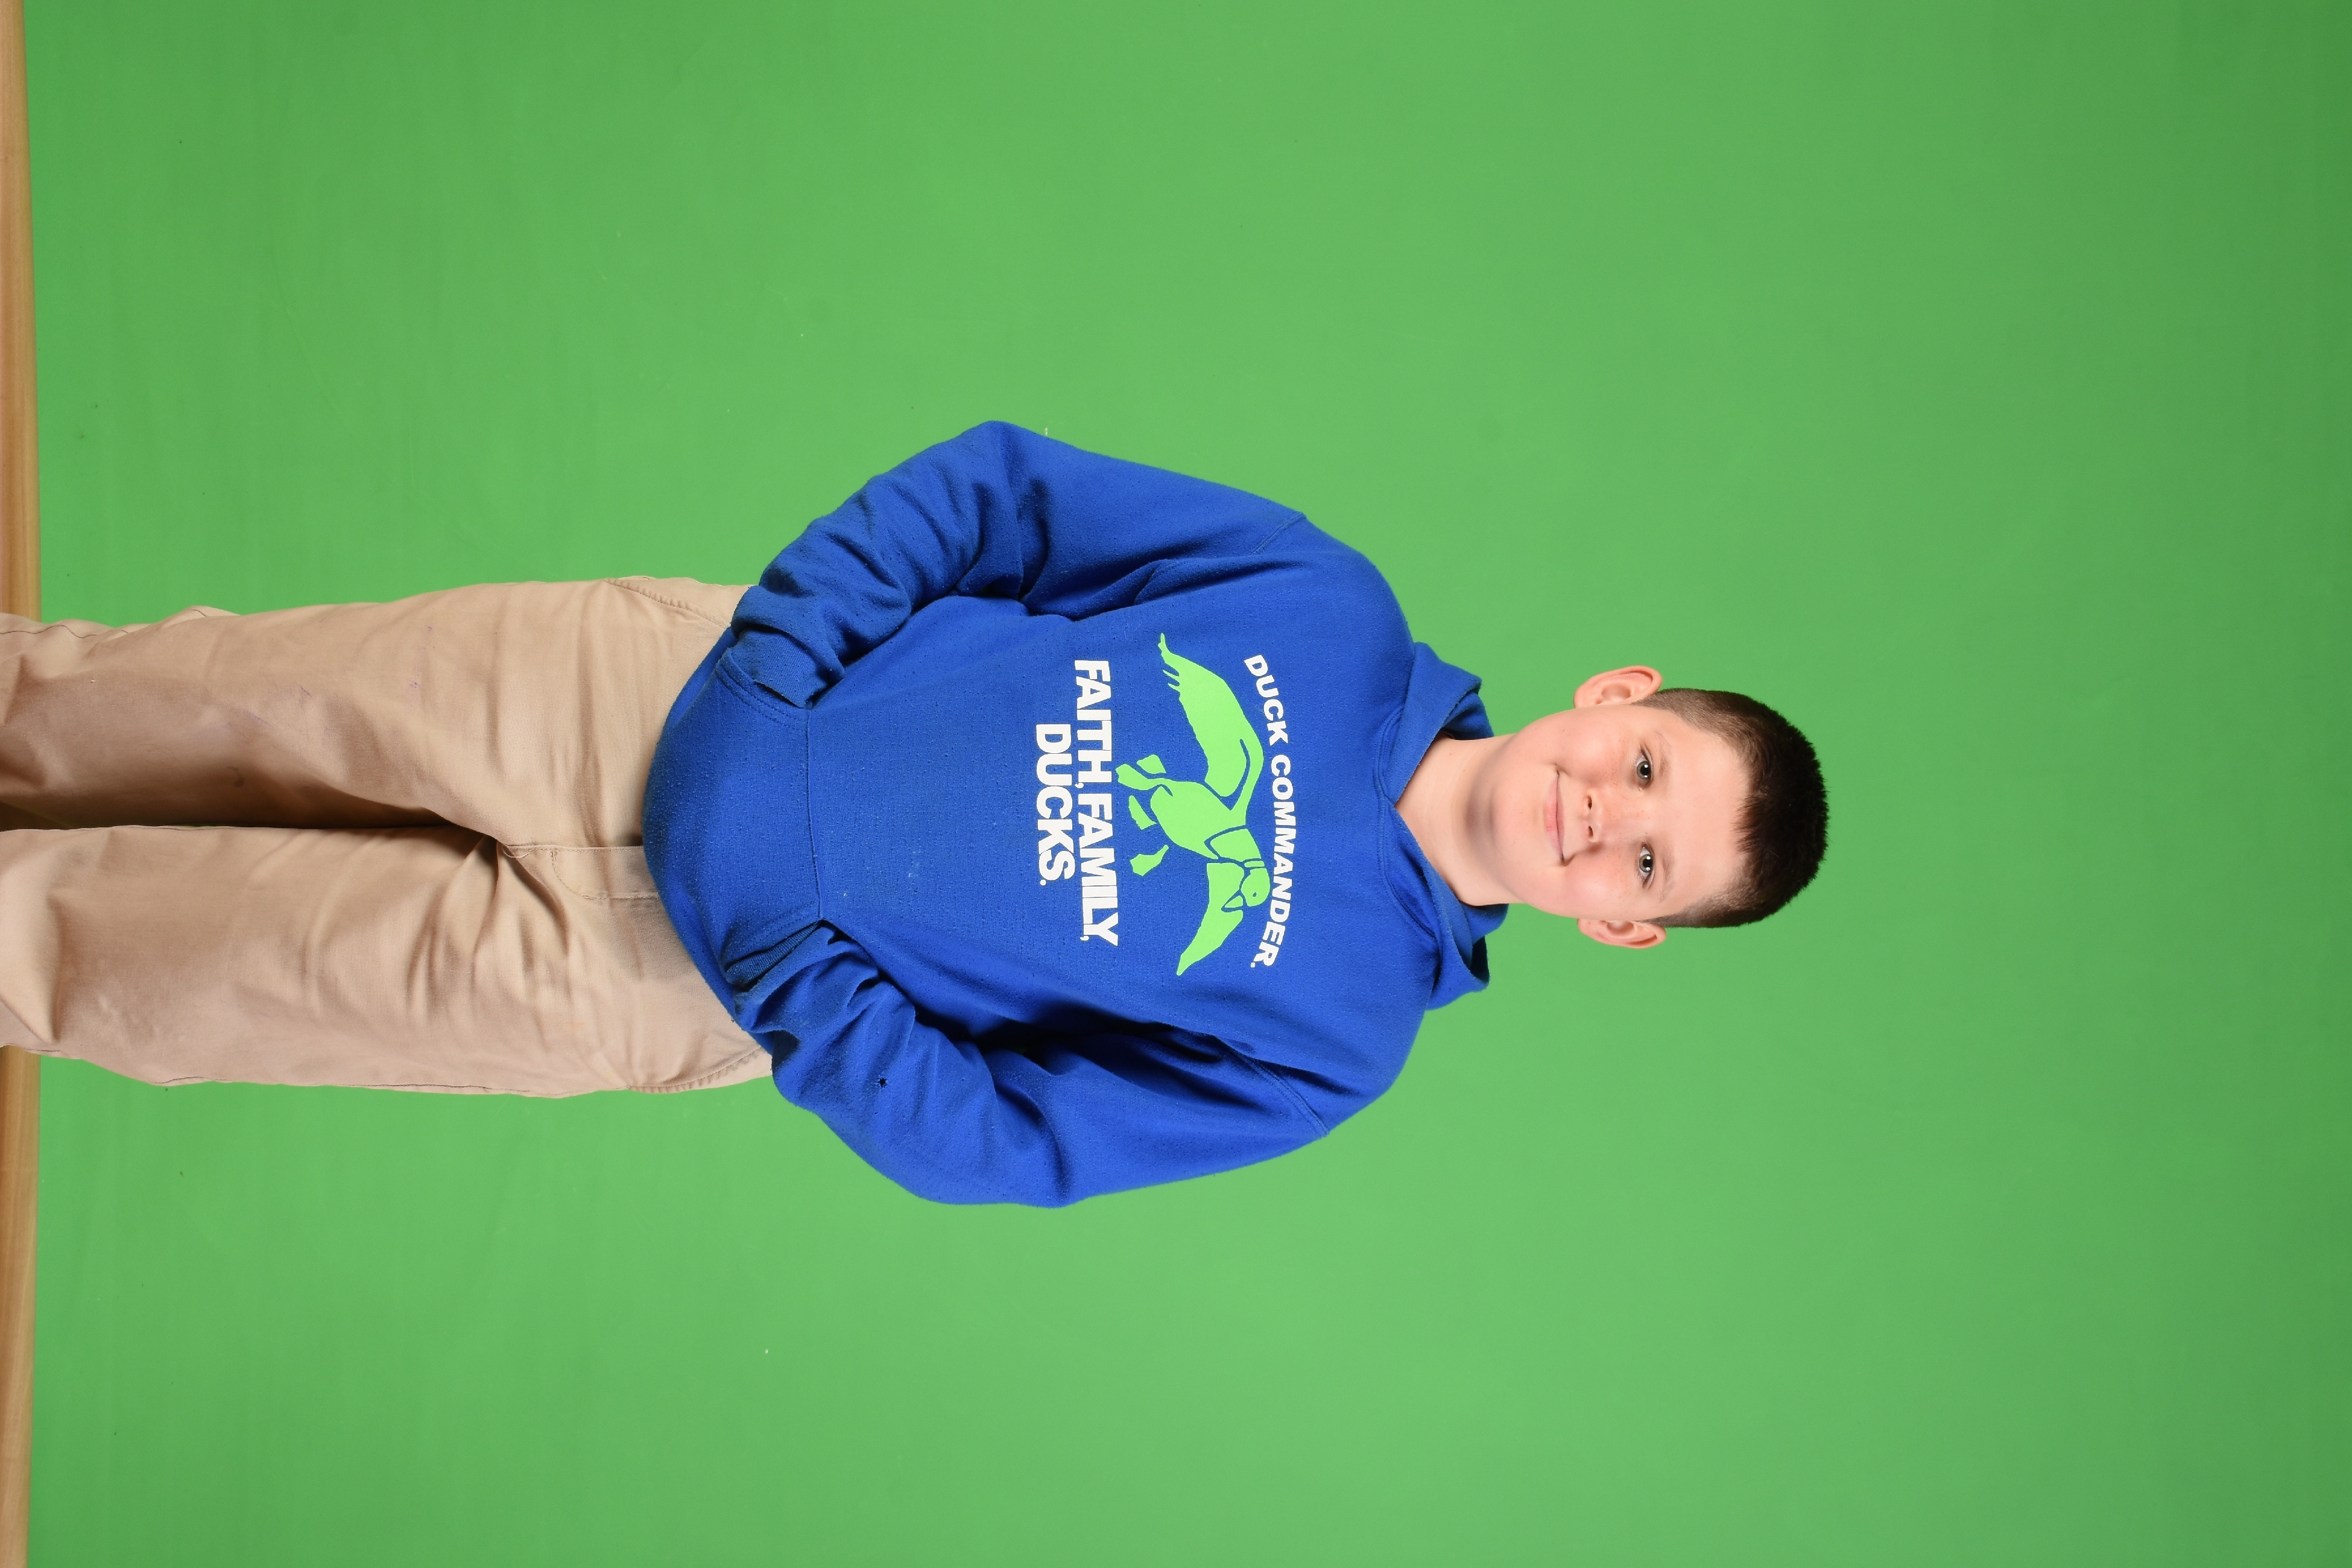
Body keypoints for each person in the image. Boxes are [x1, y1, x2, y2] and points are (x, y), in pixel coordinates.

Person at [0, 423, 1827, 1205]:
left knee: (151, 967)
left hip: (659, 977)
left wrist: (787, 963)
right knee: (157, 700)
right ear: (1619, 696)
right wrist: (776, 661)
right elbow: (1005, 494)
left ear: (1622, 924)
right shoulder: (1328, 609)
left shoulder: (1337, 1040)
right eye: (1644, 768)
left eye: (1644, 861)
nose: (1600, 815)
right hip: (647, 691)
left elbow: (1011, 1142)